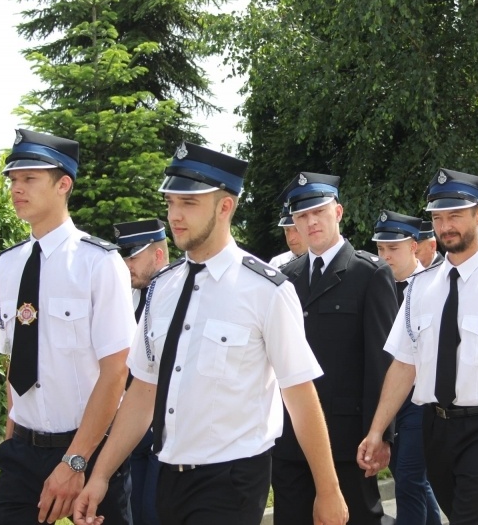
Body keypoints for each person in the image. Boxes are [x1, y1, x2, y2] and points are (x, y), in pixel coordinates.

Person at [73, 143, 348, 525]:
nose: (174, 215)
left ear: (225, 207)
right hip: (167, 475)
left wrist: (328, 489)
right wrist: (100, 476)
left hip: (231, 482)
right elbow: (143, 390)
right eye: (170, 203)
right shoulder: (162, 289)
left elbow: (300, 396)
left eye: (189, 204)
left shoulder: (266, 290)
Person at [358, 169, 478, 524]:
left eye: (455, 216)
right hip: (436, 427)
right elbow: (404, 363)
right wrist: (376, 431)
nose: (446, 225)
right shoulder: (420, 287)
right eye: (438, 217)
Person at [0, 129, 134, 525]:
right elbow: (16, 361)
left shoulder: (99, 263)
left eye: (30, 178)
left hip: (89, 449)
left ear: (63, 184)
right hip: (23, 451)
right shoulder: (6, 265)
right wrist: (10, 436)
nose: (17, 188)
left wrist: (75, 460)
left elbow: (116, 371)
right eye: (13, 180)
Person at [273, 172, 399, 525]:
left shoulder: (369, 274)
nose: (311, 221)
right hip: (292, 438)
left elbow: (382, 363)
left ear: (338, 212)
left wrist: (381, 434)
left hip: (348, 441)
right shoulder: (286, 278)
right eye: (302, 215)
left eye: (319, 211)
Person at [372, 210, 441, 525]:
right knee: (406, 475)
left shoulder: (433, 285)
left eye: (393, 249)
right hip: (387, 400)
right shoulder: (374, 283)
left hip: (419, 399)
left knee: (410, 476)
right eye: (381, 249)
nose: (386, 256)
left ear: (414, 246)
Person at [113, 218, 170, 525]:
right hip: (132, 430)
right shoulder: (128, 298)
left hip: (168, 432)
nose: (126, 265)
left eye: (133, 257)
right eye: (124, 257)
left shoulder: (180, 296)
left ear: (158, 256)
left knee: (156, 513)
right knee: (132, 513)